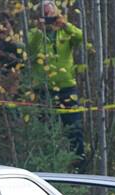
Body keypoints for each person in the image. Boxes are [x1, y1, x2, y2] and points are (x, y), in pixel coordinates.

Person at [27, 1, 85, 171]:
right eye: (45, 15)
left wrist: (65, 24)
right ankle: (48, 170)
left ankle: (79, 169)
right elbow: (29, 51)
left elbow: (80, 37)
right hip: (43, 89)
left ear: (57, 14)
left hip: (67, 87)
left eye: (51, 14)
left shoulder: (65, 31)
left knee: (74, 130)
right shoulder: (34, 33)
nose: (49, 19)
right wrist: (39, 30)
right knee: (45, 131)